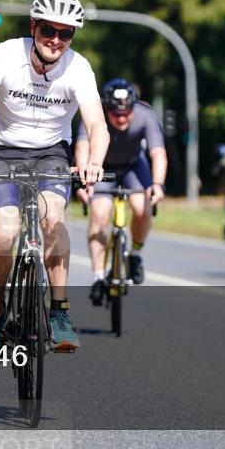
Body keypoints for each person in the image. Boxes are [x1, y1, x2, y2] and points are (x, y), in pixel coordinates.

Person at [0, 0, 109, 360]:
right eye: (48, 30)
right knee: (5, 233)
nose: (55, 40)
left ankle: (59, 312)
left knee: (53, 218)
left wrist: (94, 161)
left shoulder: (78, 68)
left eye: (65, 33)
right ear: (33, 27)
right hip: (1, 151)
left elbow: (98, 126)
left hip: (51, 153)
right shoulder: (7, 55)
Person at [75, 79, 167, 304]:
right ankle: (98, 276)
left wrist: (157, 184)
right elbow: (82, 147)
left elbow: (158, 152)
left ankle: (135, 255)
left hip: (133, 166)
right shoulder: (94, 114)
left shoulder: (146, 115)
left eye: (127, 113)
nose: (122, 118)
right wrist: (84, 182)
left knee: (142, 208)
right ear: (106, 108)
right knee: (100, 214)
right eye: (116, 114)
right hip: (101, 167)